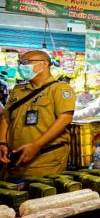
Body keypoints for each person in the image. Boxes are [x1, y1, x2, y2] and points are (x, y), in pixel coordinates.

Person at [0, 50, 76, 179]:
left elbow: (65, 119)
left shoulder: (59, 89)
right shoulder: (18, 91)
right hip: (15, 159)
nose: (21, 67)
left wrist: (37, 145)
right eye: (19, 63)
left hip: (45, 158)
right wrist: (2, 143)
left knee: (42, 193)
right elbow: (6, 118)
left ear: (44, 64)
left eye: (25, 62)